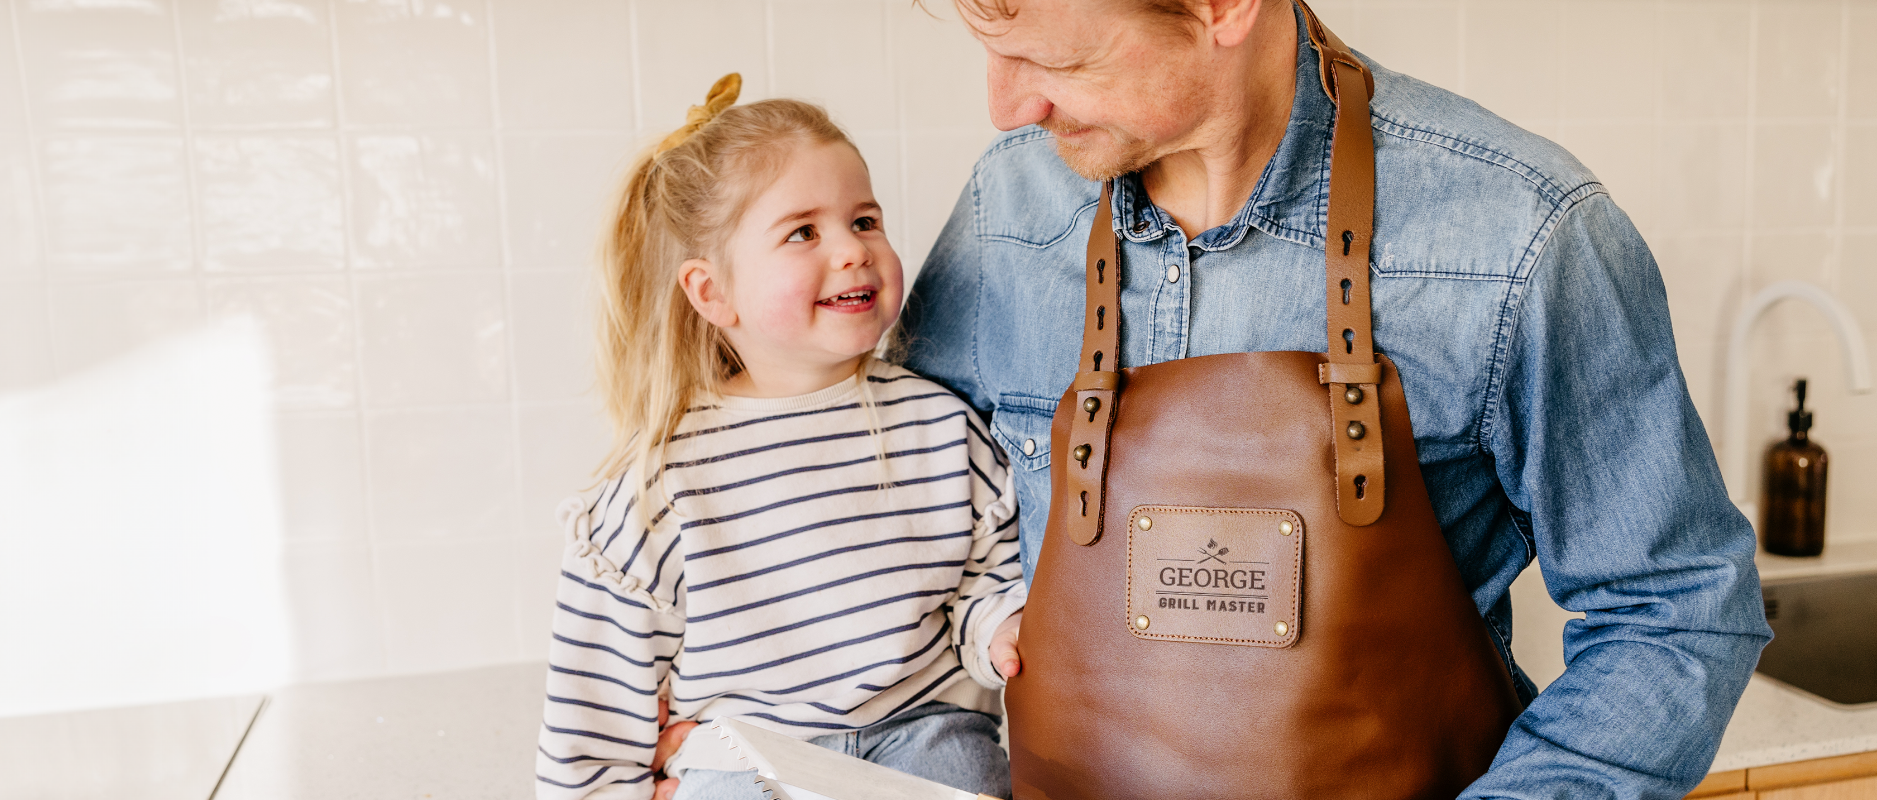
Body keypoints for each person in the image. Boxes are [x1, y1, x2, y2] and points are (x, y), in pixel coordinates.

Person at [898, 0, 1772, 797]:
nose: (1008, 107)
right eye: (991, 54)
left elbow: (1675, 606)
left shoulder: (1523, 232)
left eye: (1062, 64)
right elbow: (908, 529)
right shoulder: (1005, 207)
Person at [533, 74, 1026, 800]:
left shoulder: (941, 425)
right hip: (747, 756)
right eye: (804, 232)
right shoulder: (664, 483)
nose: (854, 250)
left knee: (966, 772)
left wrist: (997, 630)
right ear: (712, 293)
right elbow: (595, 707)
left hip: (920, 732)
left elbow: (985, 579)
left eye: (865, 221)